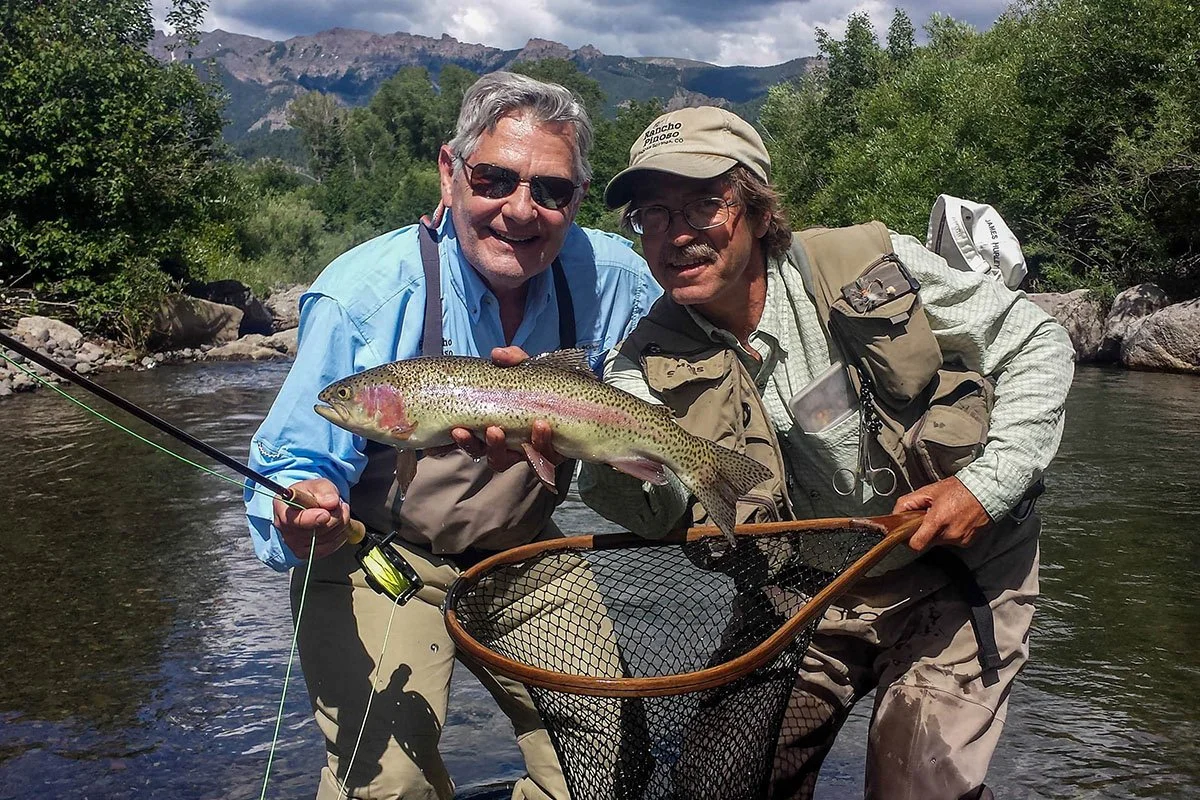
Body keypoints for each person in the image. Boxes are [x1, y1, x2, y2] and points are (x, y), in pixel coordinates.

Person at [572, 106, 1076, 800]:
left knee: (919, 785)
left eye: (703, 204)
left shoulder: (862, 267)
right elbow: (657, 512)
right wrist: (586, 448)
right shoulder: (640, 365)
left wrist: (988, 487)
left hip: (956, 569)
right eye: (652, 214)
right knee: (722, 784)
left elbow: (1034, 340)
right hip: (804, 588)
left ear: (754, 208)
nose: (676, 233)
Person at [244, 72, 660, 800]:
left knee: (609, 760)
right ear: (449, 173)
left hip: (526, 550)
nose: (520, 211)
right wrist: (303, 508)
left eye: (551, 191)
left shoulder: (616, 277)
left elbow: (709, 314)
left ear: (577, 201)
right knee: (387, 783)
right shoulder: (363, 296)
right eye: (495, 178)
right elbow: (297, 458)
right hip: (380, 555)